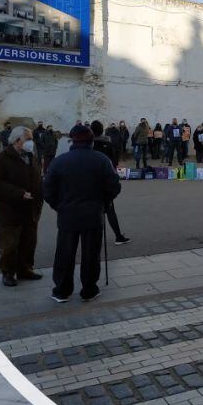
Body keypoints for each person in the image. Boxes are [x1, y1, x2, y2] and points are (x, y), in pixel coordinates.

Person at [43, 124, 121, 303]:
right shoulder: (101, 160)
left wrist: (59, 206)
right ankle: (89, 289)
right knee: (91, 254)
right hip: (93, 214)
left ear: (72, 141)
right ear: (91, 141)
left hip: (67, 214)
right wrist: (103, 202)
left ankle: (62, 290)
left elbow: (47, 189)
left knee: (64, 253)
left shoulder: (60, 161)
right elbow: (114, 186)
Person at [0, 126, 44, 287]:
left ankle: (25, 269)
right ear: (17, 140)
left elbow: (36, 177)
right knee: (10, 244)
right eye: (28, 139)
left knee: (28, 241)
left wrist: (41, 193)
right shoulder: (2, 158)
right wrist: (18, 193)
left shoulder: (30, 156)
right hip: (10, 209)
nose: (31, 142)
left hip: (31, 207)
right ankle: (7, 273)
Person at [90, 121, 130, 245]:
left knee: (92, 211)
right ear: (102, 130)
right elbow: (114, 163)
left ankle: (92, 239)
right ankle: (118, 236)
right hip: (104, 183)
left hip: (90, 182)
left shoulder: (89, 145)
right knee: (110, 211)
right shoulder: (108, 143)